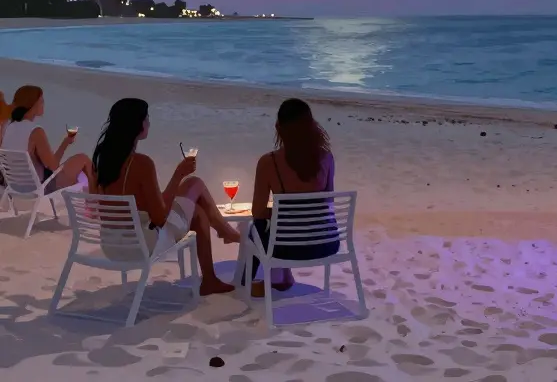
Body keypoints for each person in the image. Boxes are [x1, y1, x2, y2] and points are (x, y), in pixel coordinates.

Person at [91, 98, 240, 296]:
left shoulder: (102, 159)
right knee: (195, 196)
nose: (149, 122)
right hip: (142, 244)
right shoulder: (142, 164)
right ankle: (224, 237)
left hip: (112, 243)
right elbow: (160, 218)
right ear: (137, 125)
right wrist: (178, 174)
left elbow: (124, 201)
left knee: (194, 193)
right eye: (146, 118)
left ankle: (222, 241)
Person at [247, 98, 338, 298]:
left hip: (287, 249)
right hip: (326, 244)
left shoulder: (269, 162)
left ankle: (251, 281)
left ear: (278, 128)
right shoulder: (326, 158)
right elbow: (328, 203)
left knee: (256, 226)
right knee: (274, 225)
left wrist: (282, 212)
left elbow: (258, 211)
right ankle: (281, 278)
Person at [1, 85, 95, 192]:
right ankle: (95, 197)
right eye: (41, 101)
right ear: (33, 105)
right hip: (38, 189)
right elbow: (53, 166)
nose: (43, 104)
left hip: (12, 187)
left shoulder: (6, 126)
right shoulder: (35, 132)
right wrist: (65, 143)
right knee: (83, 159)